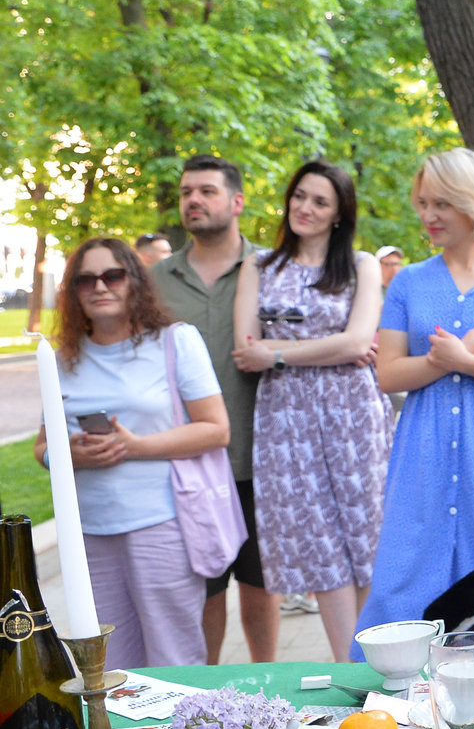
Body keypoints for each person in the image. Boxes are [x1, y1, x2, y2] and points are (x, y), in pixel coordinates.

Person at [353, 148, 474, 653]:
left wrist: (463, 359)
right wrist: (447, 359)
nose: (427, 215)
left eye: (441, 202)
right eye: (422, 202)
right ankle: (398, 683)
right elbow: (389, 372)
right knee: (406, 564)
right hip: (424, 446)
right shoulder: (409, 281)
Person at [33, 238, 228, 669]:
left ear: (134, 281)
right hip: (90, 534)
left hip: (161, 524)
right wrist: (71, 457)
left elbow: (216, 430)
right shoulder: (62, 358)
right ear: (73, 291)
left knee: (174, 659)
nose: (99, 286)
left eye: (112, 275)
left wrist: (133, 447)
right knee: (111, 668)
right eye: (85, 279)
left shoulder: (175, 341)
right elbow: (43, 448)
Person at [231, 160, 392, 663]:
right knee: (318, 538)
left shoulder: (362, 265)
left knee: (367, 535)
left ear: (340, 213)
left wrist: (280, 352)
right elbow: (245, 348)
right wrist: (333, 346)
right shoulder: (259, 266)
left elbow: (360, 340)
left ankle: (374, 656)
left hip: (352, 414)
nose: (305, 208)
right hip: (286, 420)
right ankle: (349, 662)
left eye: (320, 201)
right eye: (299, 195)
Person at [151, 155, 281, 663]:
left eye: (206, 191)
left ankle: (268, 681)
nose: (194, 201)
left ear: (237, 201)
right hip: (186, 466)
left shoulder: (271, 271)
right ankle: (204, 692)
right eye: (186, 192)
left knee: (260, 583)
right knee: (202, 590)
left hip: (261, 456)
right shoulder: (155, 280)